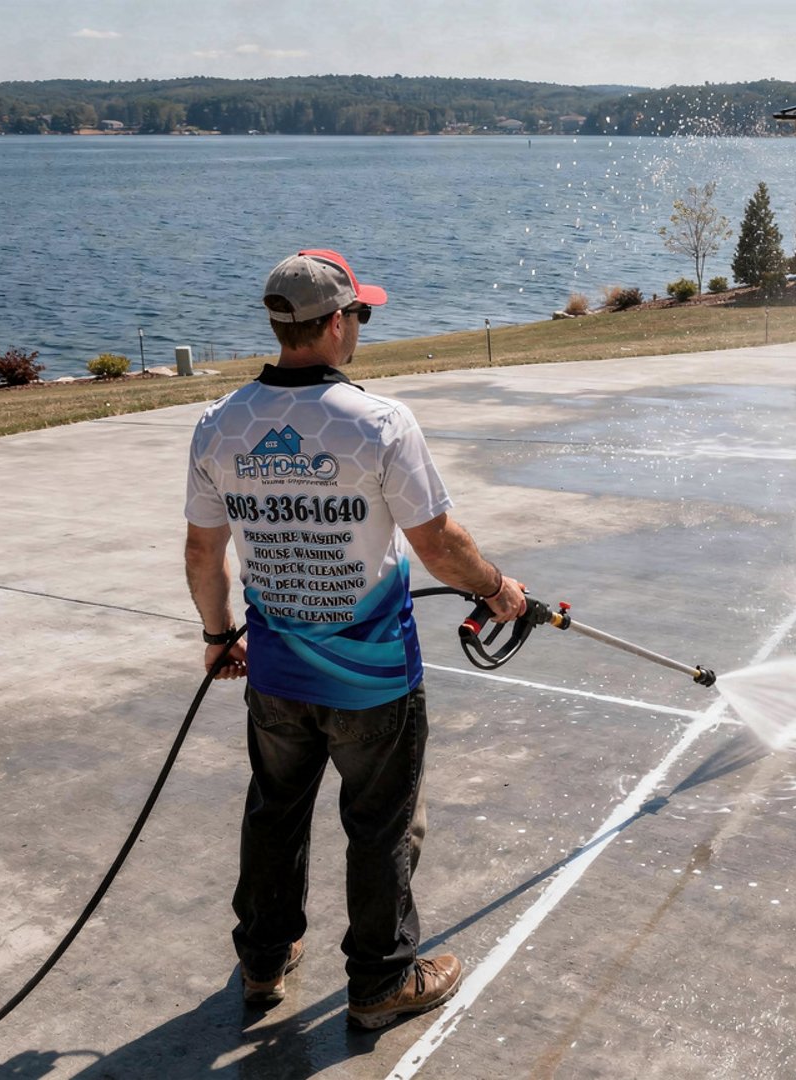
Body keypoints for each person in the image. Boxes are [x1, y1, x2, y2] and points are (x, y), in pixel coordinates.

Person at [183, 249, 527, 1030]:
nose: (360, 327)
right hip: (373, 681)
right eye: (360, 315)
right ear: (337, 323)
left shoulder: (219, 423)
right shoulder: (378, 422)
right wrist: (498, 588)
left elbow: (204, 553)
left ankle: (264, 960)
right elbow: (437, 544)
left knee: (275, 813)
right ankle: (379, 981)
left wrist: (215, 636)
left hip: (277, 673)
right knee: (381, 826)